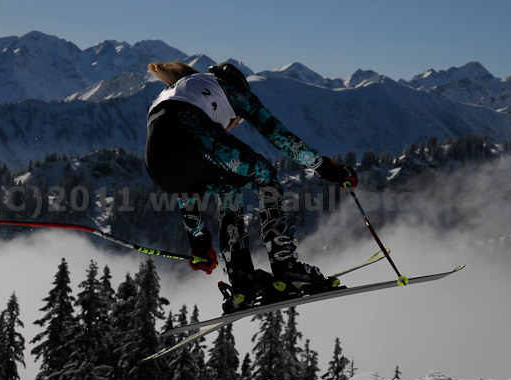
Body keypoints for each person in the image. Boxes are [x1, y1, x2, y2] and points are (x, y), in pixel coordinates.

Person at [145, 61, 358, 310]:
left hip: (156, 164)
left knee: (229, 185)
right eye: (238, 120)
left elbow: (184, 188)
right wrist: (327, 168)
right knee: (265, 175)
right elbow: (280, 136)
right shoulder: (230, 89)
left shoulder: (180, 89)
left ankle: (242, 281)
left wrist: (200, 243)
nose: (235, 123)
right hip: (193, 132)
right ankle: (286, 265)